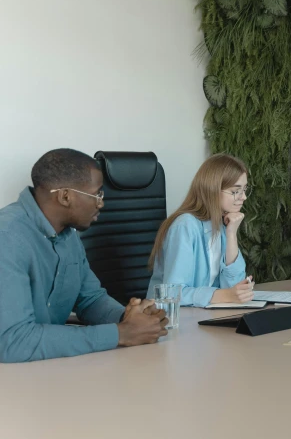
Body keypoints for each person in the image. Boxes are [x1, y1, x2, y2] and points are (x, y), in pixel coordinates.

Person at [0, 149, 168, 363]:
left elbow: (90, 299)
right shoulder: (6, 238)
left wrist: (130, 318)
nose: (101, 203)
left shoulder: (68, 234)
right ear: (65, 196)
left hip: (48, 369)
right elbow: (14, 342)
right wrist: (120, 334)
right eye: (97, 194)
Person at [147, 154, 254, 308]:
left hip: (203, 316)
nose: (243, 197)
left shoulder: (223, 223)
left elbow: (235, 289)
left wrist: (231, 234)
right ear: (212, 189)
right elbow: (172, 293)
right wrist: (224, 294)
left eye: (244, 189)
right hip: (170, 321)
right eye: (235, 191)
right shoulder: (185, 226)